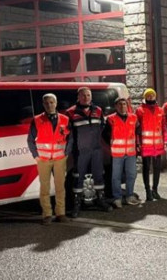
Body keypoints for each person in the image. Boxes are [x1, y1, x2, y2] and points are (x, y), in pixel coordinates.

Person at [27, 93, 73, 225]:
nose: (49, 105)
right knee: (45, 188)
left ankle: (61, 213)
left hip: (60, 158)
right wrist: (36, 156)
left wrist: (66, 153)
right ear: (43, 105)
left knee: (60, 187)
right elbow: (30, 140)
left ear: (56, 103)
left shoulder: (65, 119)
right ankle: (47, 214)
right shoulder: (37, 120)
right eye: (46, 103)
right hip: (43, 159)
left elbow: (70, 139)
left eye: (51, 102)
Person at [66, 87, 110, 216]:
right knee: (78, 178)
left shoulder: (98, 110)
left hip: (96, 150)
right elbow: (69, 134)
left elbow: (102, 126)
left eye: (88, 95)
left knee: (99, 175)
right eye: (83, 95)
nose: (86, 97)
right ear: (78, 97)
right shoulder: (71, 112)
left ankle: (101, 200)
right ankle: (77, 205)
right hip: (80, 152)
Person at [103, 97, 141, 208]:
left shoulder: (134, 118)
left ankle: (129, 195)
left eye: (124, 104)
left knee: (132, 175)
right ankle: (117, 198)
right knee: (116, 177)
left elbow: (137, 131)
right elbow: (105, 134)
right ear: (116, 106)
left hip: (130, 153)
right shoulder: (110, 119)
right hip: (116, 153)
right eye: (120, 104)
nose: (122, 106)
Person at [136, 88, 167, 202]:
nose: (150, 97)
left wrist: (166, 141)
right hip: (146, 146)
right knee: (146, 169)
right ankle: (147, 191)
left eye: (152, 95)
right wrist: (138, 143)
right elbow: (137, 130)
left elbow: (164, 127)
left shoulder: (160, 110)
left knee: (157, 168)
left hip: (158, 146)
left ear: (155, 97)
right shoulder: (139, 110)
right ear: (145, 97)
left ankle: (155, 190)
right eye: (148, 95)